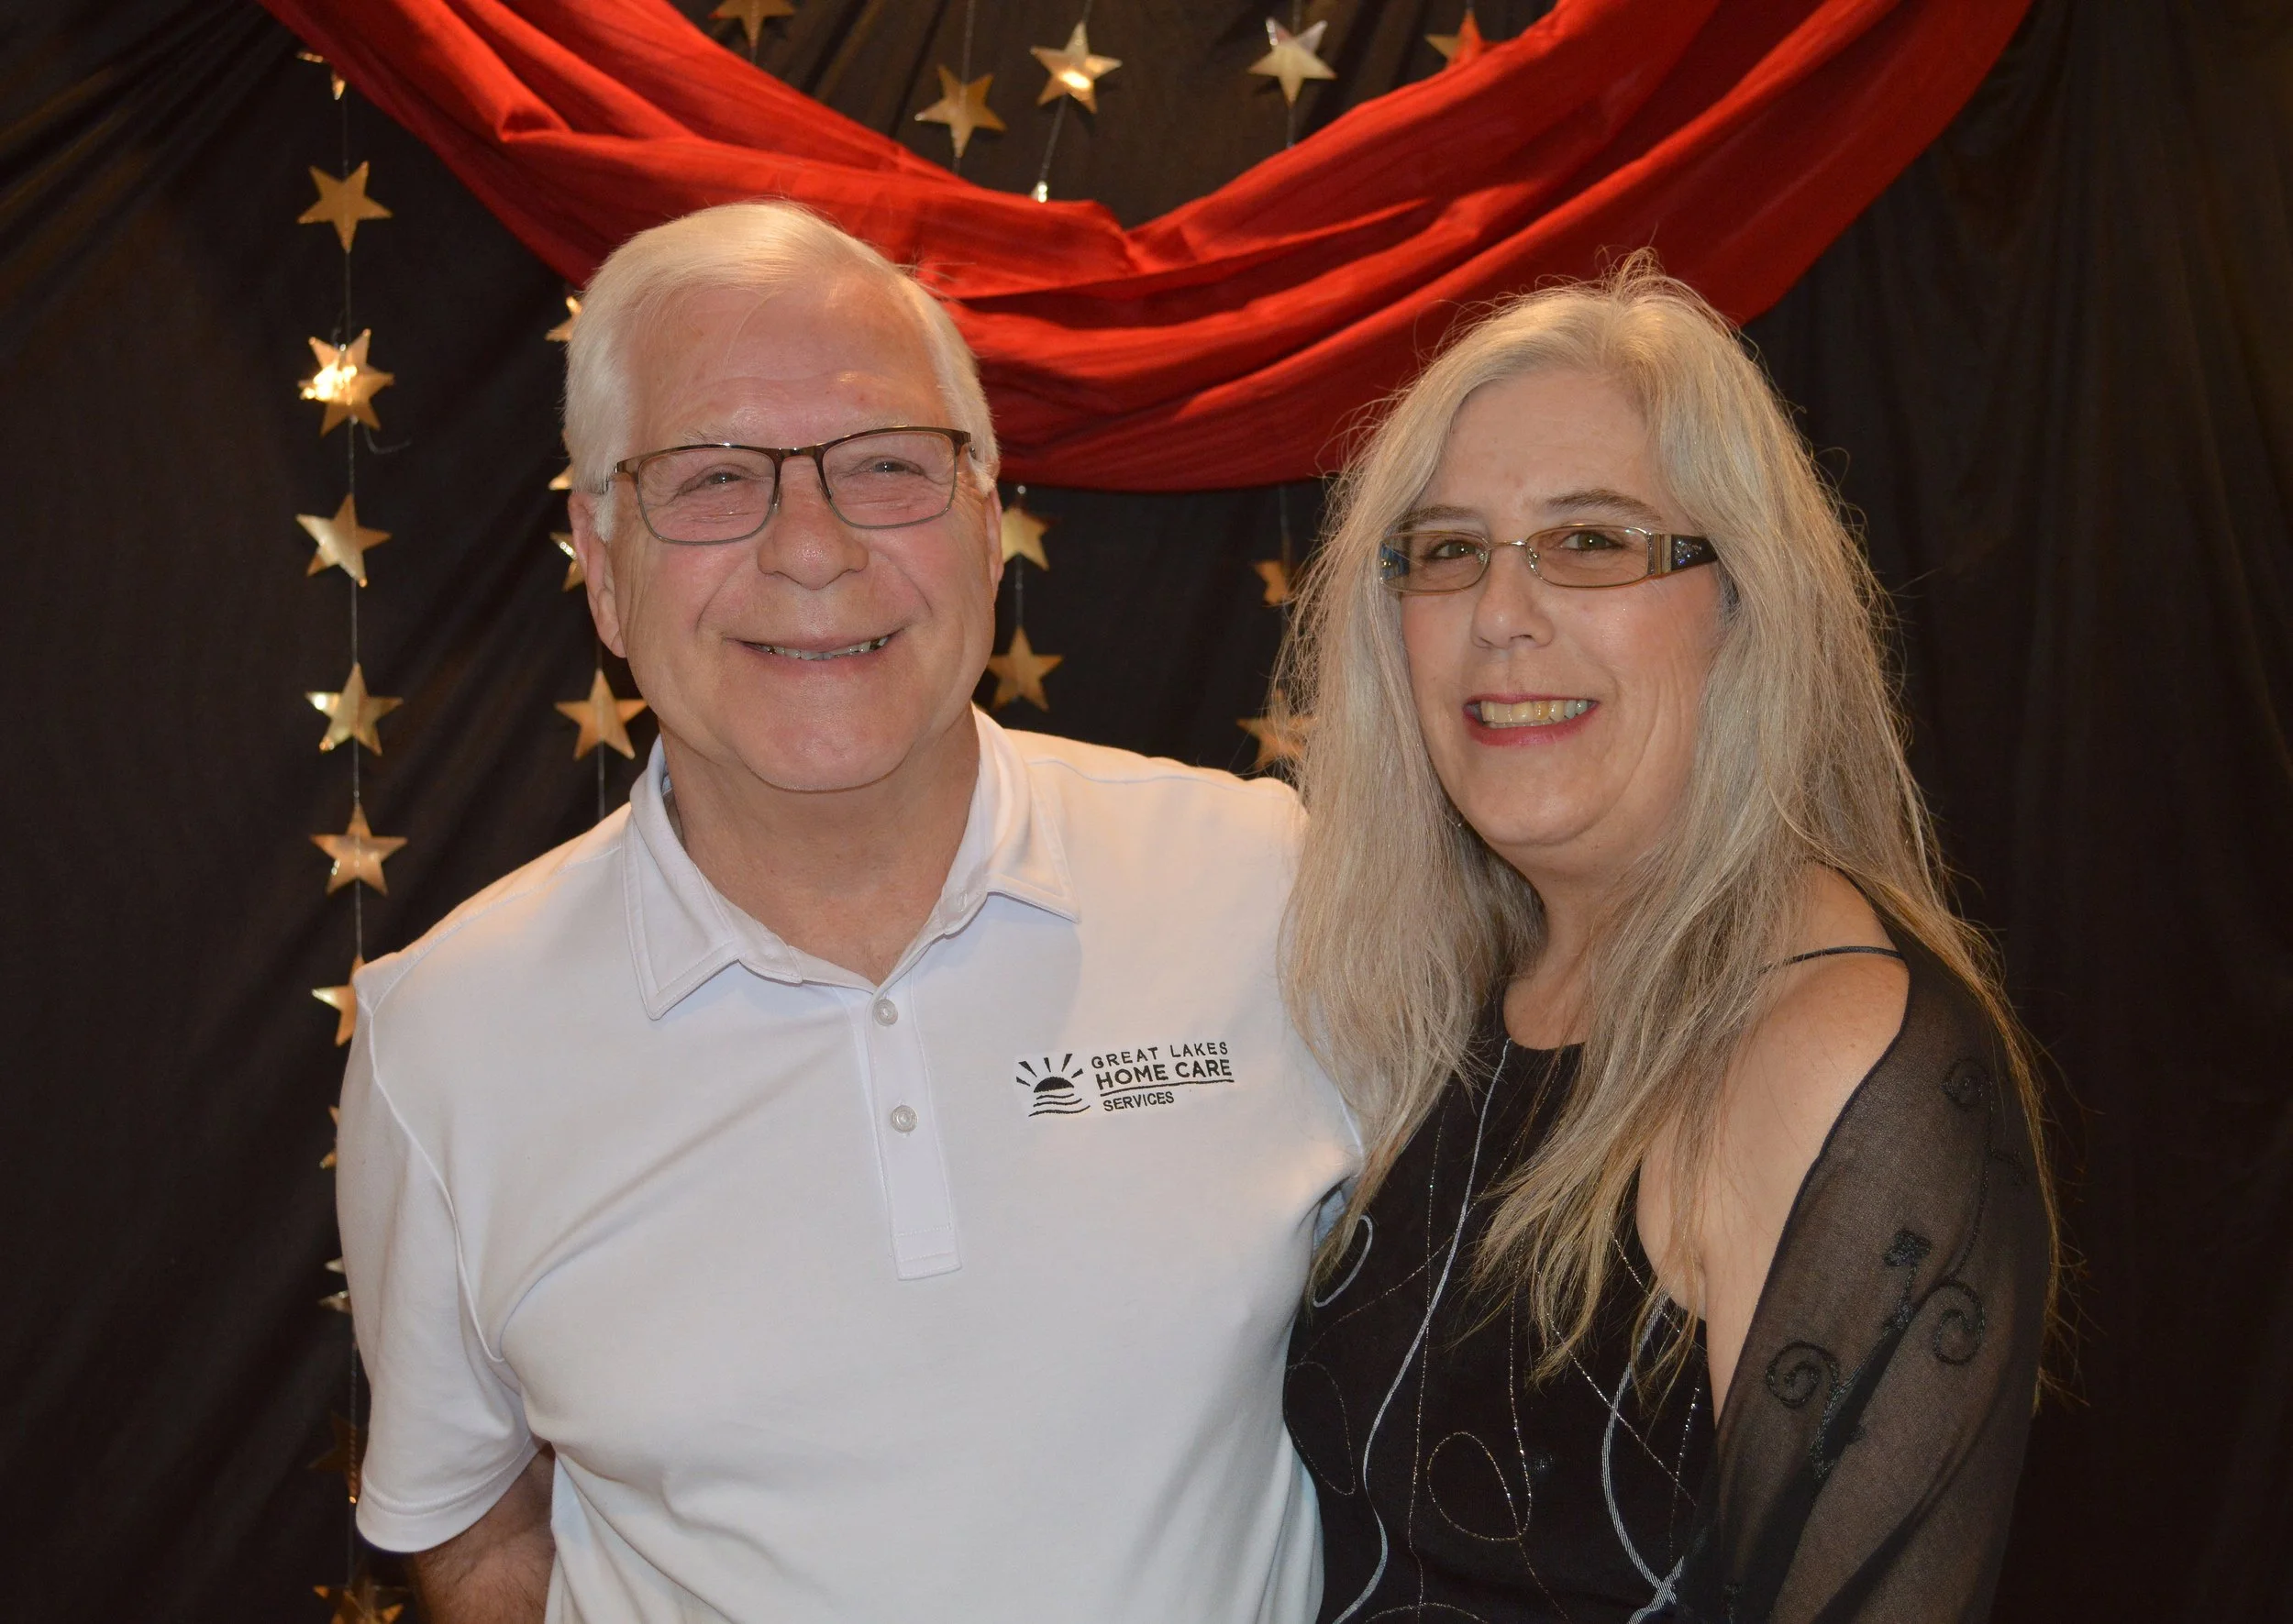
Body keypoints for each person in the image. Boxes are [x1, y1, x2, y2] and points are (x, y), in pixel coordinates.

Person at [335, 201, 1357, 1624]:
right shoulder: (441, 1040)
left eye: (885, 464)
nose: (812, 548)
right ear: (602, 558)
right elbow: (476, 1530)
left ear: (991, 518)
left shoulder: (1275, 883)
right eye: (712, 478)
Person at [1276, 260, 2057, 1622]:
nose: (1501, 614)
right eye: (1449, 548)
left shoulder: (1828, 1055)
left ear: (1743, 607)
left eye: (1592, 541)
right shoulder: (1447, 993)